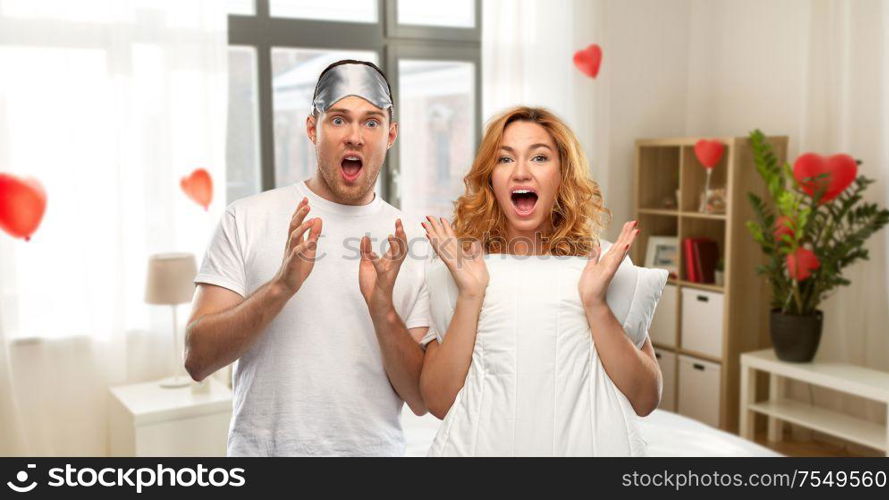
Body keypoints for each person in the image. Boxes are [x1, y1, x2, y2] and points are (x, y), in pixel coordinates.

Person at [184, 60, 431, 456]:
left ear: (391, 134)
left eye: (371, 122)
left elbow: (419, 398)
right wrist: (281, 287)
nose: (355, 136)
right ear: (312, 128)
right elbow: (196, 359)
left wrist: (382, 306)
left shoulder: (412, 241)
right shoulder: (247, 217)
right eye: (338, 120)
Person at [418, 106, 664, 456]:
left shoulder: (603, 263)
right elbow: (439, 402)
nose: (521, 173)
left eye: (539, 157)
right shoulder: (458, 266)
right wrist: (472, 294)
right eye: (505, 160)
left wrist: (595, 305)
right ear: (490, 178)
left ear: (562, 173)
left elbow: (645, 398)